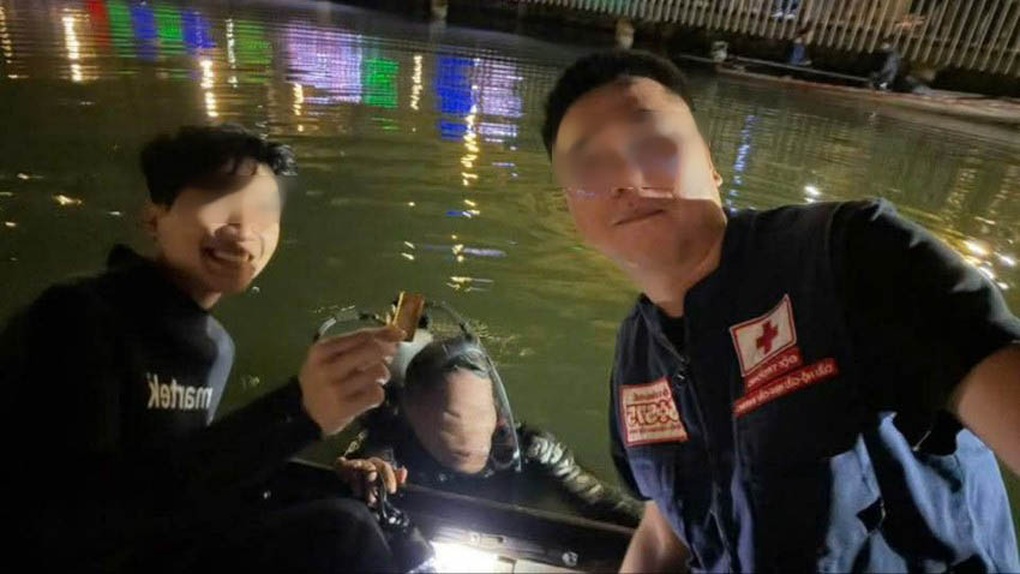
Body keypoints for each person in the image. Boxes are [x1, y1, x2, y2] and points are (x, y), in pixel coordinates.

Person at [540, 50, 1020, 572]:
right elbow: (664, 529)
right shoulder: (636, 357)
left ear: (711, 164)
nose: (627, 177)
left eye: (651, 143)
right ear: (574, 210)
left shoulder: (850, 259)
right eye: (591, 166)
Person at [0, 125, 404, 573]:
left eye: (264, 212)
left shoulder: (216, 345)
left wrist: (330, 465)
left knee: (351, 520)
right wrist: (297, 412)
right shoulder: (77, 316)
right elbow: (74, 516)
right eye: (219, 202)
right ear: (154, 219)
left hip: (158, 548)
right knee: (344, 534)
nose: (244, 230)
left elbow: (185, 479)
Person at [337, 333, 645, 527]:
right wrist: (365, 473)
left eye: (479, 414)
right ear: (415, 415)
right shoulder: (393, 439)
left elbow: (597, 499)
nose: (467, 432)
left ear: (498, 414)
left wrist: (659, 527)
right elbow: (365, 463)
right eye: (451, 417)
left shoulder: (532, 449)